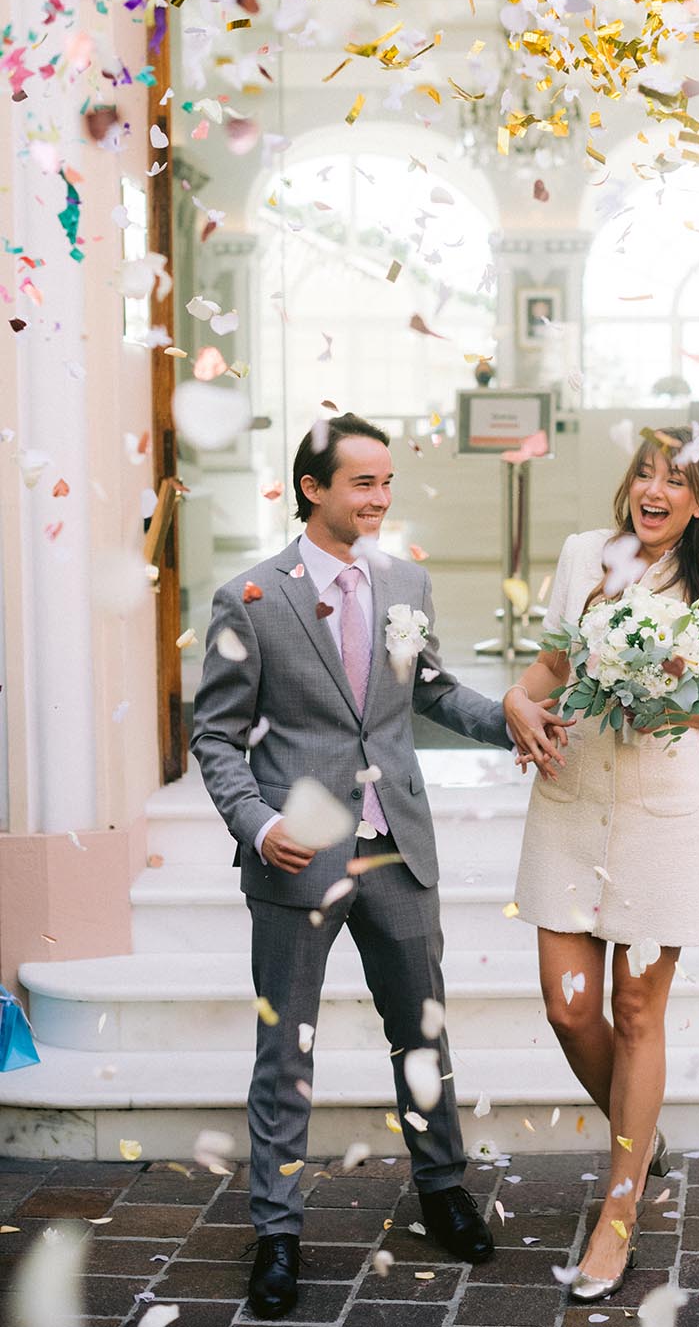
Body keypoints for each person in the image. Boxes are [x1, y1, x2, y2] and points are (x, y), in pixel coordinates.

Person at [191, 412, 567, 1321]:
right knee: (286, 1053)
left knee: (422, 1033)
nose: (381, 498)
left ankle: (441, 1190)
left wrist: (511, 712)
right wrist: (256, 821)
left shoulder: (407, 582)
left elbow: (428, 687)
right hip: (298, 858)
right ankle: (277, 1232)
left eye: (388, 482)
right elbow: (216, 735)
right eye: (363, 482)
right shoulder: (250, 597)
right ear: (311, 489)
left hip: (398, 846)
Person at [507, 427, 699, 1304]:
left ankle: (618, 1219)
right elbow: (551, 661)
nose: (655, 490)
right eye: (645, 473)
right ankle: (639, 1135)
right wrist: (516, 701)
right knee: (569, 1009)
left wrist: (669, 692)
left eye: (676, 480)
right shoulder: (585, 555)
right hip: (569, 809)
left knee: (637, 1011)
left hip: (661, 820)